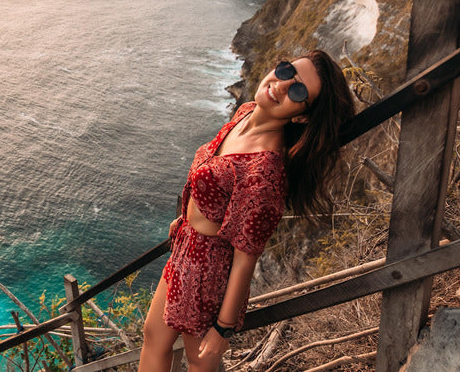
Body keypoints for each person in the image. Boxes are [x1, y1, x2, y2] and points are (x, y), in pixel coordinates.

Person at [138, 50, 356, 371]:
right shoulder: (245, 111)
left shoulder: (264, 168)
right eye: (286, 71)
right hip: (187, 245)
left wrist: (223, 328)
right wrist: (187, 216)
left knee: (200, 363)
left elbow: (246, 257)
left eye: (298, 92)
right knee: (154, 338)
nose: (281, 86)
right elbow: (215, 179)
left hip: (209, 270)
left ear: (302, 116)